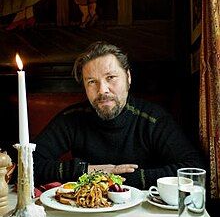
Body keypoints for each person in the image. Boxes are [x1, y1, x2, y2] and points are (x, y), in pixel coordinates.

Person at [33, 41, 205, 189]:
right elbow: (27, 165)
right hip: (87, 215)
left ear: (128, 77)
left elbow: (195, 171)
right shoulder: (72, 119)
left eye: (111, 77)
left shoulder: (153, 120)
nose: (102, 90)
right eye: (92, 82)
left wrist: (125, 179)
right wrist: (88, 171)